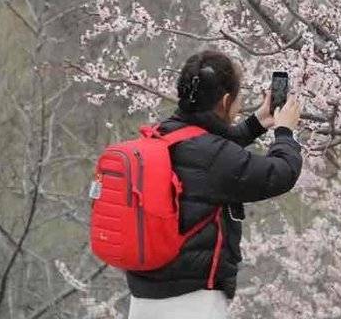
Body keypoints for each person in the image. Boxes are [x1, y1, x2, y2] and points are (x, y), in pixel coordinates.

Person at [126, 49, 303, 319]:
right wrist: (284, 132)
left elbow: (208, 153)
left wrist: (256, 124)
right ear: (224, 100)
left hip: (142, 299)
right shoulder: (214, 156)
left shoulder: (161, 135)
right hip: (194, 302)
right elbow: (281, 173)